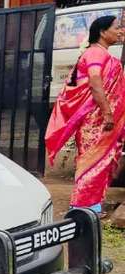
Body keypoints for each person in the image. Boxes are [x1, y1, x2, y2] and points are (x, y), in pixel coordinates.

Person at [46, 15, 125, 215]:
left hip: (102, 121)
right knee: (92, 163)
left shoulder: (101, 54)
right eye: (116, 27)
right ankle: (81, 208)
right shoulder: (96, 54)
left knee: (101, 164)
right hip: (96, 121)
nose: (120, 31)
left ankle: (92, 206)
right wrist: (108, 114)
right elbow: (95, 82)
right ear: (102, 32)